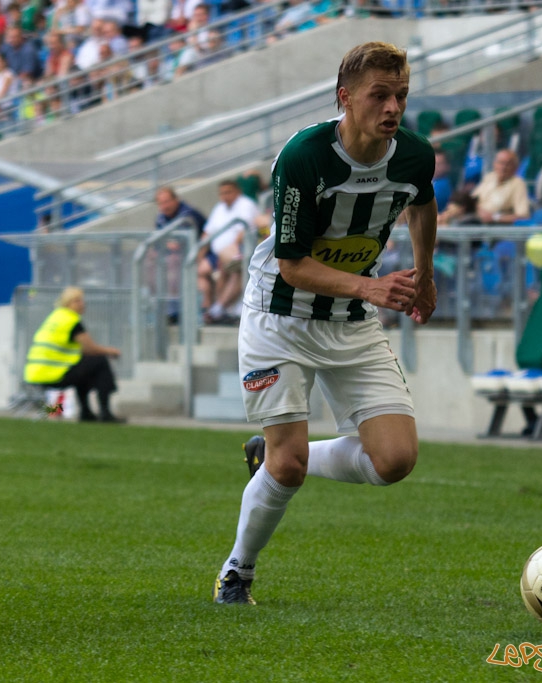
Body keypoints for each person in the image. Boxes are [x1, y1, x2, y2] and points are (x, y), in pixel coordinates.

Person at [212, 42, 437, 605]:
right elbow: (290, 264)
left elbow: (422, 204)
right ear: (346, 98)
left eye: (401, 96)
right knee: (289, 470)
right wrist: (372, 286)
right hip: (280, 316)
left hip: (351, 319)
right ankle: (238, 570)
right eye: (379, 95)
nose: (392, 108)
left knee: (395, 461)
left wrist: (425, 276)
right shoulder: (304, 157)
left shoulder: (413, 156)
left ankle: (275, 454)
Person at [23, 286, 124, 423]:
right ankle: (105, 412)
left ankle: (86, 412)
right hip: (54, 374)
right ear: (67, 303)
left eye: (81, 300)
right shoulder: (71, 320)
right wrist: (111, 351)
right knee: (100, 361)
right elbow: (90, 349)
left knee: (84, 368)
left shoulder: (55, 317)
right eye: (77, 301)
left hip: (36, 373)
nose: (82, 304)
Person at [197, 179, 259, 324]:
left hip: (241, 251)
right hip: (219, 254)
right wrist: (198, 255)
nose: (225, 196)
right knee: (201, 270)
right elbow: (207, 232)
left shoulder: (246, 204)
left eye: (228, 192)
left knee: (234, 268)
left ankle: (218, 309)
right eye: (222, 193)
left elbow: (245, 230)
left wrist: (231, 249)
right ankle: (211, 308)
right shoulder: (219, 207)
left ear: (237, 191)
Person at [153, 186, 206, 323]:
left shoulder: (187, 214)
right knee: (152, 260)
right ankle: (162, 309)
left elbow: (179, 244)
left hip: (201, 254)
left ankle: (175, 311)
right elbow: (157, 243)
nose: (165, 206)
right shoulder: (161, 218)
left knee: (173, 262)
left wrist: (166, 244)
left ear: (176, 200)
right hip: (177, 258)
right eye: (161, 203)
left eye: (167, 201)